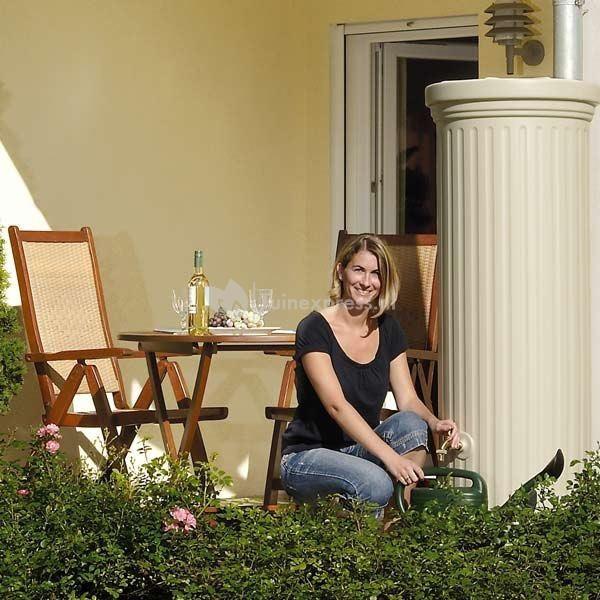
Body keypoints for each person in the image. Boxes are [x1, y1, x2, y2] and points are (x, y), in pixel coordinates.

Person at [280, 234, 460, 517]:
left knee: (413, 425)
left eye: (376, 273)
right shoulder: (314, 328)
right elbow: (336, 406)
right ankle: (368, 541)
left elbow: (408, 399)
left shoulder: (388, 328)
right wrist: (391, 459)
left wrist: (434, 422)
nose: (366, 281)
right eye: (359, 270)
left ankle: (394, 522)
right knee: (375, 482)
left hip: (359, 448)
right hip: (308, 457)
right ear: (341, 271)